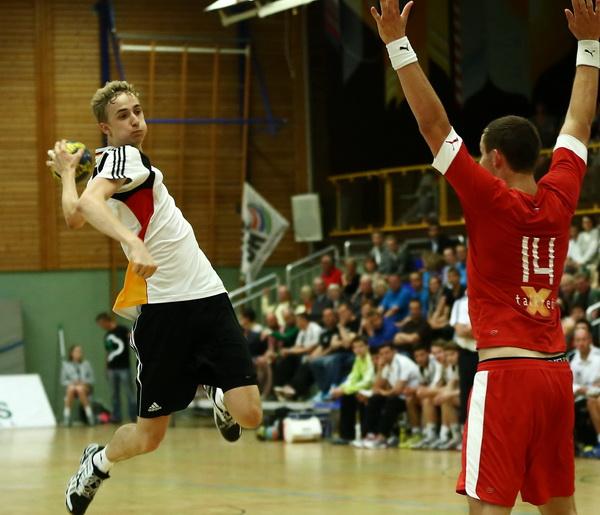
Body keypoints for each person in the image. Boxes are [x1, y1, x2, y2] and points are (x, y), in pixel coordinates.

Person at [371, 0, 598, 511]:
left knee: (487, 507)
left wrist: (396, 43)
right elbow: (580, 122)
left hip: (506, 376)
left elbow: (433, 125)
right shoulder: (560, 194)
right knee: (561, 509)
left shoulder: (489, 196)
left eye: (478, 154)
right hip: (556, 378)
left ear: (494, 159)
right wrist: (591, 44)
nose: (473, 160)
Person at [49, 80, 262, 514]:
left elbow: (79, 210)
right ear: (105, 128)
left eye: (138, 111)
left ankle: (218, 394)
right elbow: (79, 213)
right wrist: (133, 240)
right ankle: (97, 463)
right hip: (164, 311)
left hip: (205, 293)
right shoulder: (120, 156)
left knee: (252, 414)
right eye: (123, 115)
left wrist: (70, 173)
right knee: (148, 438)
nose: (135, 120)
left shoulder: (119, 163)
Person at [330, 336, 375, 444]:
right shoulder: (358, 359)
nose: (358, 349)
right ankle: (347, 436)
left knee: (359, 396)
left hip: (373, 389)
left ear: (367, 347)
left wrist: (346, 390)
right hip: (362, 389)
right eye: (355, 347)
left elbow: (368, 381)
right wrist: (341, 388)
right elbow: (352, 377)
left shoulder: (371, 359)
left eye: (361, 346)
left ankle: (366, 435)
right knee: (346, 397)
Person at [95, 313, 136, 424]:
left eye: (101, 324)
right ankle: (116, 416)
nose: (101, 327)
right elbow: (109, 352)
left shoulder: (123, 330)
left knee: (130, 393)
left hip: (124, 368)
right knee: (114, 394)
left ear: (106, 321)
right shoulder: (107, 335)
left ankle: (134, 416)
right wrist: (106, 367)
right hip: (112, 369)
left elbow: (132, 340)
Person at [61, 345, 95, 427]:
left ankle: (90, 416)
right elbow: (63, 381)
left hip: (85, 388)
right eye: (76, 351)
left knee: (80, 389)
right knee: (71, 389)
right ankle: (66, 417)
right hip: (72, 388)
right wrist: (72, 382)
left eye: (80, 351)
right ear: (71, 353)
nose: (78, 353)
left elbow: (92, 379)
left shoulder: (86, 364)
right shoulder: (66, 365)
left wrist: (83, 382)